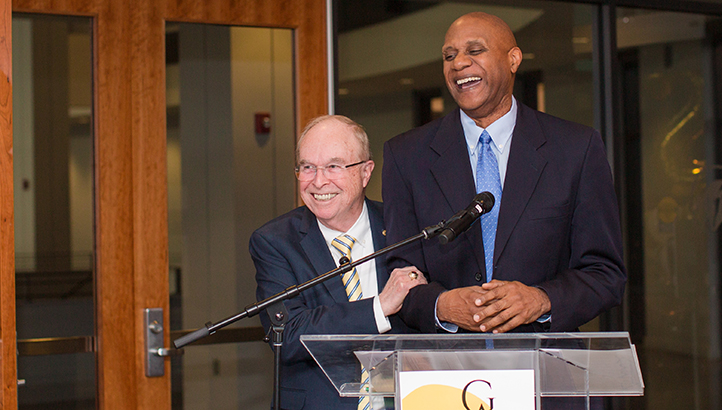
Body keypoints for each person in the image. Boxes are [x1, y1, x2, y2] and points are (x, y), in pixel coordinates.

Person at [383, 12, 625, 337]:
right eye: (449, 55)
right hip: (444, 372)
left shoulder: (575, 149)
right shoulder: (406, 156)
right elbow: (399, 270)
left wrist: (541, 300)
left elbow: (605, 273)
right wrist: (440, 305)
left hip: (545, 369)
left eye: (475, 50)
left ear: (513, 59)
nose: (458, 64)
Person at [252, 115, 425, 410]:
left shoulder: (406, 227)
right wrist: (378, 308)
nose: (319, 181)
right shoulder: (274, 241)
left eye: (333, 166)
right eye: (307, 167)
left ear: (366, 172)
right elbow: (289, 335)